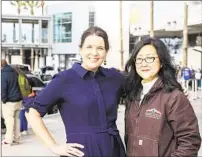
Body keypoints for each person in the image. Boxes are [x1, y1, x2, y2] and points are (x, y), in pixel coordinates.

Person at [24, 26, 126, 157]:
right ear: (81, 49)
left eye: (100, 48)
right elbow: (33, 113)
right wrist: (54, 147)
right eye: (89, 47)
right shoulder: (64, 79)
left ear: (106, 52)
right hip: (81, 152)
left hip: (114, 150)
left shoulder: (114, 77)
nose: (94, 53)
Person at [124, 37, 201, 157]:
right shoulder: (132, 95)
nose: (144, 63)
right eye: (139, 59)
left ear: (162, 62)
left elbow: (190, 142)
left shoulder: (174, 97)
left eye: (150, 58)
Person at [1, 59, 22, 146]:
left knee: (9, 120)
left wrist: (4, 99)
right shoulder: (15, 72)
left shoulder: (4, 75)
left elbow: (3, 89)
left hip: (9, 101)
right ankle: (17, 138)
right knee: (16, 119)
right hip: (18, 100)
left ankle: (8, 140)